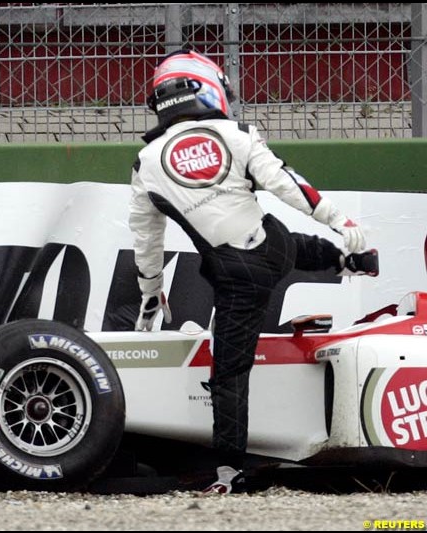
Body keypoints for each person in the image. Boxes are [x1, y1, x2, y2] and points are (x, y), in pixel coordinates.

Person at [128, 49, 379, 494]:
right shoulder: (236, 133)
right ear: (208, 89)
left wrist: (151, 293)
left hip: (236, 276)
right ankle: (348, 259)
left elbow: (145, 238)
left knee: (229, 371)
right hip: (271, 245)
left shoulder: (146, 163)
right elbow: (287, 182)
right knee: (287, 246)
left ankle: (229, 470)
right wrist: (341, 220)